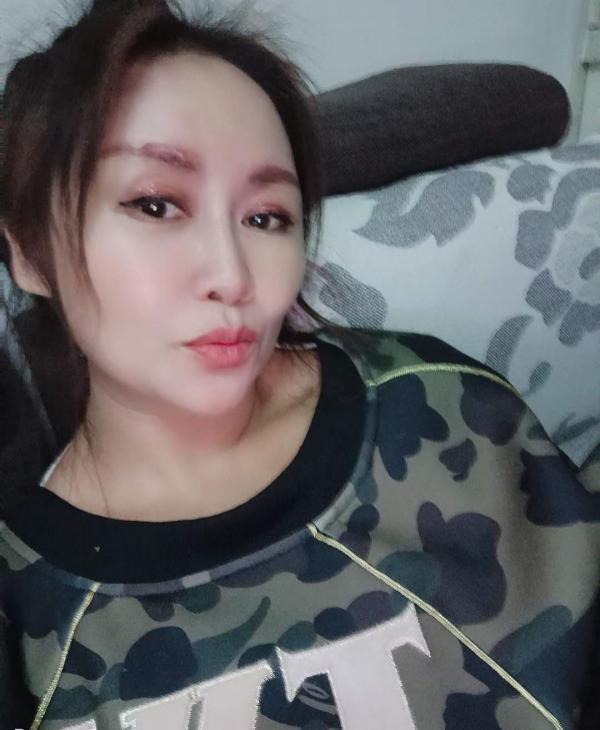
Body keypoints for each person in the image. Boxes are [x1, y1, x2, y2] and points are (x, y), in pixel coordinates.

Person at [0, 1, 598, 728]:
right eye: (155, 205)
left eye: (266, 217)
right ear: (29, 251)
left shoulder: (431, 399)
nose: (232, 276)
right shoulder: (30, 615)